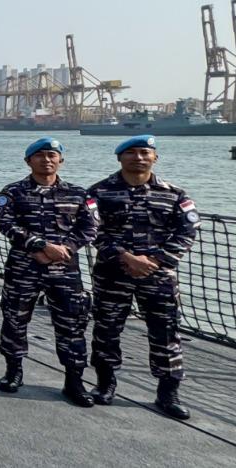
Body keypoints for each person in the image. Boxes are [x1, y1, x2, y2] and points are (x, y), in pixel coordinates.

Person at [89, 135, 199, 420]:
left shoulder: (175, 194)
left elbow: (187, 232)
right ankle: (105, 384)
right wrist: (126, 257)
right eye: (131, 153)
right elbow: (91, 231)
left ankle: (168, 393)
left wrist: (155, 261)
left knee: (166, 331)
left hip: (158, 275)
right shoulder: (99, 192)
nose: (138, 158)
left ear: (154, 158)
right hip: (113, 273)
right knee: (106, 329)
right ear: (120, 158)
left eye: (144, 153)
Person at [0, 136, 99, 405]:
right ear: (28, 161)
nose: (46, 160)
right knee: (15, 319)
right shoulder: (13, 192)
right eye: (40, 155)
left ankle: (74, 381)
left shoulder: (78, 194)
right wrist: (39, 245)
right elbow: (5, 222)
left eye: (52, 155)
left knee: (72, 324)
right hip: (24, 266)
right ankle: (13, 371)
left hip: (65, 269)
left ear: (61, 160)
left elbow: (90, 227)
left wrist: (65, 248)